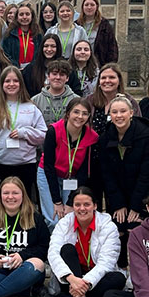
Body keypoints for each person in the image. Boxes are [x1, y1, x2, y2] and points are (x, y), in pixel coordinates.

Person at [44, 187, 126, 297]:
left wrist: (84, 283)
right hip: (71, 279)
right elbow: (53, 253)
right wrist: (72, 279)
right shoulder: (65, 223)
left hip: (96, 280)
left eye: (87, 204)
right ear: (73, 206)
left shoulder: (108, 226)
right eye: (77, 205)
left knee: (119, 278)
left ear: (95, 206)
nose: (82, 209)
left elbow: (107, 262)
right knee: (67, 249)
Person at [97, 95, 149, 267]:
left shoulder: (146, 136)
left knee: (135, 227)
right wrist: (118, 203)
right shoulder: (105, 138)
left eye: (123, 111)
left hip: (140, 192)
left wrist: (136, 206)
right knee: (118, 227)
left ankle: (141, 269)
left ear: (131, 113)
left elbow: (148, 173)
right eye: (114, 112)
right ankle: (120, 266)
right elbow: (106, 174)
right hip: (117, 194)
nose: (119, 115)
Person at [0, 66, 46, 194]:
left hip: (25, 165)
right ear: (1, 84)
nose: (11, 84)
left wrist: (25, 133)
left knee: (24, 202)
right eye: (7, 81)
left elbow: (43, 134)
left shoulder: (31, 107)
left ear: (21, 84)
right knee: (2, 201)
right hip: (0, 163)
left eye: (15, 81)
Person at [37, 97, 98, 229]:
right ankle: (52, 248)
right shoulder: (54, 131)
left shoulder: (91, 137)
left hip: (71, 177)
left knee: (69, 217)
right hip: (48, 174)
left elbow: (83, 172)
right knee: (54, 218)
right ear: (68, 113)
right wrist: (57, 201)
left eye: (85, 113)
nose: (80, 117)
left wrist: (70, 202)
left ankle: (67, 248)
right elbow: (48, 166)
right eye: (76, 112)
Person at [88, 63, 141, 205]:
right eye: (103, 77)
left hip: (119, 161)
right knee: (94, 202)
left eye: (112, 77)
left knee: (117, 203)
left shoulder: (130, 102)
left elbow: (136, 130)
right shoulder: (90, 101)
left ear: (119, 81)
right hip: (94, 159)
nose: (107, 81)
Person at [32, 60, 78, 127]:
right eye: (54, 74)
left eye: (62, 75)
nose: (58, 77)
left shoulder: (76, 100)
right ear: (48, 76)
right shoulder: (35, 100)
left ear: (67, 78)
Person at [76, 0, 118, 65]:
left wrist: (109, 66)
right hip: (79, 63)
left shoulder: (104, 25)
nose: (89, 7)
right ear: (82, 7)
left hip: (99, 64)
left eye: (92, 5)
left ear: (97, 7)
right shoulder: (76, 25)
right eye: (86, 5)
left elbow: (112, 47)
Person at [2, 3, 41, 68]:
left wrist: (31, 68)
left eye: (27, 14)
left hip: (34, 71)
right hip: (15, 71)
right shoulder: (10, 35)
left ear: (32, 17)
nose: (24, 17)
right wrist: (16, 66)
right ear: (17, 17)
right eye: (21, 14)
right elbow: (6, 55)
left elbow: (40, 55)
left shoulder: (38, 35)